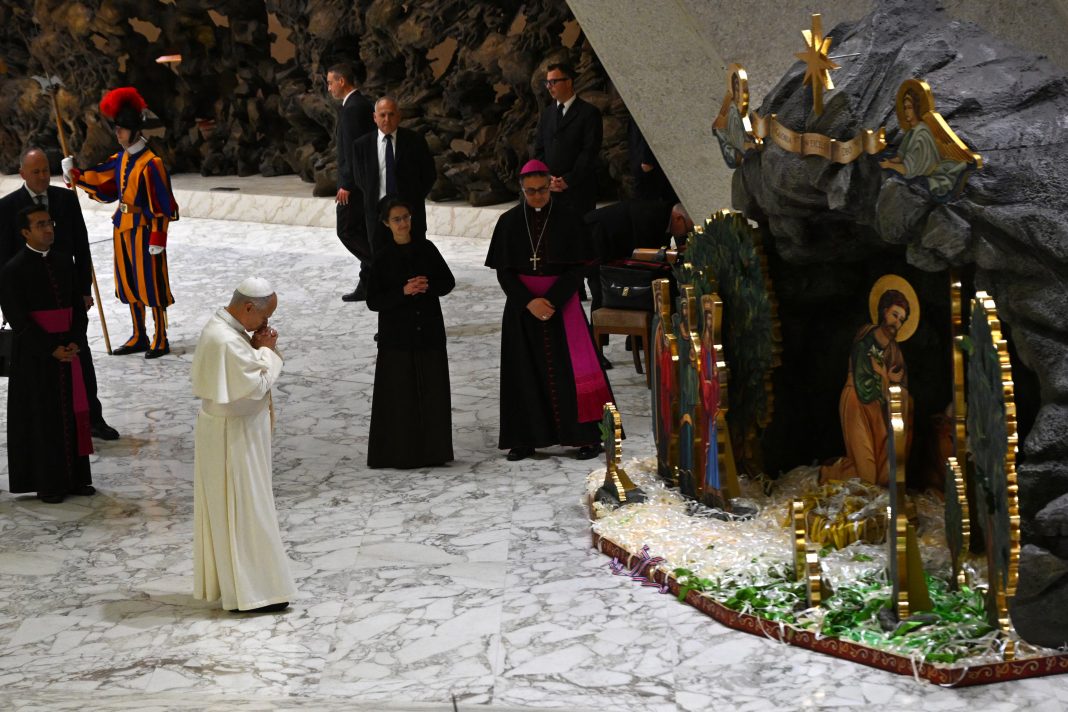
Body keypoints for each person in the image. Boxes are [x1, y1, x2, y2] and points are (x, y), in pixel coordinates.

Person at [485, 159, 614, 461]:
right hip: (522, 307)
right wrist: (529, 301)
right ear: (522, 190)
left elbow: (580, 266)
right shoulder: (508, 222)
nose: (537, 196)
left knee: (571, 372)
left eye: (542, 190)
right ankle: (524, 439)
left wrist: (552, 300)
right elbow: (504, 271)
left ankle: (585, 436)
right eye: (530, 191)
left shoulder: (569, 218)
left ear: (550, 186)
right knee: (522, 372)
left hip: (562, 304)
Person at [191, 277, 295, 613]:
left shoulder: (228, 330)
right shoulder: (225, 340)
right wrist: (267, 350)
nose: (266, 323)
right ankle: (254, 593)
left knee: (244, 509)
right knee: (245, 511)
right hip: (233, 437)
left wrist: (258, 347)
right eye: (265, 316)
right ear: (248, 307)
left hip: (235, 431)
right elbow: (256, 386)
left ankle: (251, 588)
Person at [0, 147, 118, 439]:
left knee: (80, 356)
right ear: (22, 174)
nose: (42, 176)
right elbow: (4, 258)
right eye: (36, 171)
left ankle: (92, 417)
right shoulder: (7, 207)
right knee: (39, 359)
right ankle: (46, 422)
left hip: (66, 294)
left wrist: (84, 289)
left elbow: (81, 245)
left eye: (45, 170)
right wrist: (9, 303)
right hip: (32, 301)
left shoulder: (65, 199)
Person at [64, 86, 179, 359]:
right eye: (116, 128)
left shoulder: (152, 163)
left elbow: (163, 206)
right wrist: (76, 175)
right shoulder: (121, 158)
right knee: (129, 282)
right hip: (122, 228)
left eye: (121, 129)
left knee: (151, 284)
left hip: (145, 230)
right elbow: (103, 181)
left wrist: (158, 238)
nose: (117, 133)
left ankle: (160, 337)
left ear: (135, 130)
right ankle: (139, 334)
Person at [0, 204, 95, 503]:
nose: (48, 228)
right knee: (43, 420)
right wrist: (50, 349)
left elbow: (78, 307)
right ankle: (49, 483)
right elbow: (18, 319)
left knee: (71, 414)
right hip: (35, 357)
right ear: (25, 232)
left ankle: (76, 479)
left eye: (49, 223)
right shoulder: (13, 270)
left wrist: (75, 341)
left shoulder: (65, 261)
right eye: (40, 225)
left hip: (68, 349)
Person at [366, 198, 455, 468]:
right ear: (386, 223)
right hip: (398, 337)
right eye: (397, 219)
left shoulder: (426, 249)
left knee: (432, 393)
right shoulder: (381, 257)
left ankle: (434, 453)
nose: (403, 223)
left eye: (406, 217)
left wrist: (428, 285)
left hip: (429, 332)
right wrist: (403, 292)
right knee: (400, 396)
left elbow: (447, 282)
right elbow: (374, 301)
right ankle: (400, 454)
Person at [820, 289, 911, 486]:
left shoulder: (894, 350)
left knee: (882, 474)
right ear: (884, 311)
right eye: (895, 315)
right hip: (857, 402)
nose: (897, 322)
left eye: (901, 320)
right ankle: (829, 473)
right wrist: (886, 378)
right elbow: (864, 386)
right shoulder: (866, 339)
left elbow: (900, 385)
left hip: (878, 409)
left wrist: (891, 382)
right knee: (866, 475)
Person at [351, 96, 437, 257]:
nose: (387, 119)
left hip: (410, 214)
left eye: (391, 114)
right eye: (382, 115)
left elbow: (428, 175)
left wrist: (413, 200)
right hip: (377, 215)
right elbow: (360, 179)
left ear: (399, 116)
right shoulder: (361, 145)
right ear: (374, 117)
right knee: (381, 260)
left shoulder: (415, 141)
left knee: (414, 257)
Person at [327, 63, 376, 302]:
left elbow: (354, 149)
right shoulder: (358, 104)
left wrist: (346, 183)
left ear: (342, 81)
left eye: (330, 83)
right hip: (360, 181)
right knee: (362, 231)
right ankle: (367, 284)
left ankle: (382, 268)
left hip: (354, 184)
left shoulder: (354, 108)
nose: (329, 88)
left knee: (346, 230)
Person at [533, 61, 603, 216]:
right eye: (547, 82)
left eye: (553, 82)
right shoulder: (547, 114)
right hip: (550, 192)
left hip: (578, 192)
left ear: (569, 82)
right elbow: (539, 150)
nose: (549, 86)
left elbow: (589, 152)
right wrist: (547, 179)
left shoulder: (589, 113)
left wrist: (568, 180)